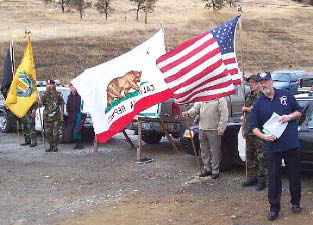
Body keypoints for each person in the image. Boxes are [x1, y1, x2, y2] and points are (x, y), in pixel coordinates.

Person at [249, 71, 303, 221]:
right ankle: (274, 208)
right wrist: (264, 136)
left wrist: (290, 116)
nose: (264, 84)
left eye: (266, 81)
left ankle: (296, 202)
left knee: (294, 175)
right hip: (272, 147)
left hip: (291, 144)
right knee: (273, 178)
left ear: (272, 81)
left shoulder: (286, 95)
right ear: (259, 85)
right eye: (261, 82)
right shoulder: (258, 103)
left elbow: (299, 111)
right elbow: (253, 127)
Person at [182, 98, 228, 179]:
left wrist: (221, 128)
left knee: (215, 151)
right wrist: (188, 113)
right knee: (204, 150)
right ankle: (207, 169)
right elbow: (195, 108)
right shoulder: (202, 96)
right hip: (202, 128)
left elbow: (224, 114)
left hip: (214, 128)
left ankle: (215, 171)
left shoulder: (220, 98)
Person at [241, 74, 267, 191]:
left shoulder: (262, 96)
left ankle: (262, 180)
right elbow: (245, 115)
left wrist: (246, 108)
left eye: (253, 82)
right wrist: (243, 127)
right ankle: (252, 178)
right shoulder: (248, 96)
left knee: (261, 156)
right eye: (250, 83)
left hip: (259, 130)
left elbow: (258, 109)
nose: (251, 84)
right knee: (250, 156)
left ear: (258, 83)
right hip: (248, 129)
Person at [40, 79, 64, 152]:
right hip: (47, 117)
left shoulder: (58, 94)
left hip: (56, 116)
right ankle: (51, 145)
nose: (50, 86)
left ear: (54, 85)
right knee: (47, 132)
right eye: (48, 84)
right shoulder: (44, 94)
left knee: (56, 133)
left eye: (51, 84)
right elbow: (41, 104)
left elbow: (62, 104)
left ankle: (55, 146)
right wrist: (38, 101)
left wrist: (62, 115)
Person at [64, 83, 86, 149]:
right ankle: (76, 143)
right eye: (72, 87)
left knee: (78, 129)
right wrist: (68, 113)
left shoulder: (80, 96)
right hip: (72, 115)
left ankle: (80, 144)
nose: (73, 89)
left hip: (79, 114)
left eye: (74, 87)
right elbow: (68, 106)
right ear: (70, 88)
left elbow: (83, 105)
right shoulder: (69, 97)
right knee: (72, 130)